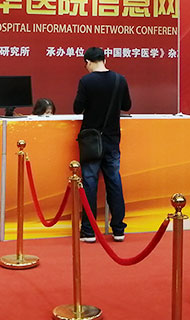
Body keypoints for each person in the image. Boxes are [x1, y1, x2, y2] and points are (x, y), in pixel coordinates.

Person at [73, 46, 131, 242]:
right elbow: (127, 106)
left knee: (89, 182)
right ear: (105, 60)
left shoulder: (86, 81)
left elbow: (77, 108)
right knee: (114, 181)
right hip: (112, 139)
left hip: (91, 141)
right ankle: (118, 229)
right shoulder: (120, 79)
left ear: (88, 62)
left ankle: (89, 231)